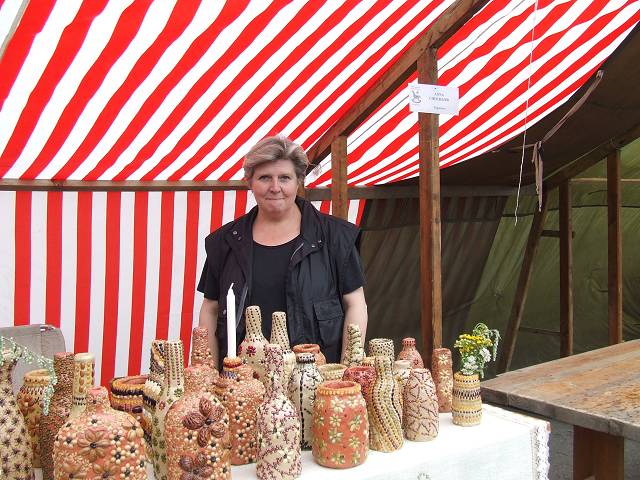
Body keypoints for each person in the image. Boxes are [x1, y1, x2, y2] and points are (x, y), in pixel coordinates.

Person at [197, 134, 367, 367]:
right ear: (250, 182)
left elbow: (355, 304)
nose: (275, 187)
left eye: (284, 178)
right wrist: (207, 374)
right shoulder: (225, 242)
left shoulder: (336, 237)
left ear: (299, 182)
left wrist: (348, 371)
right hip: (243, 380)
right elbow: (210, 309)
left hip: (317, 379)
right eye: (265, 178)